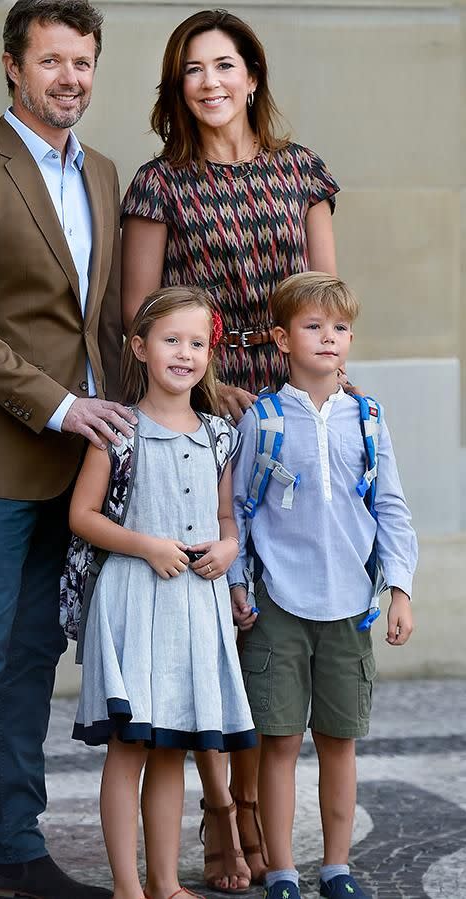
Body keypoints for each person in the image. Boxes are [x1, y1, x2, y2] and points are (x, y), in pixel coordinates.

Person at [0, 2, 136, 898]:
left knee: (36, 655)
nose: (70, 78)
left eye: (82, 61)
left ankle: (14, 845)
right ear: (13, 67)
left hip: (82, 463)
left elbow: (110, 319)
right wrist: (57, 406)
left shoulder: (108, 174)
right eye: (52, 61)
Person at [120, 8, 339, 892]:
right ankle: (220, 810)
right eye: (191, 70)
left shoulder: (303, 173)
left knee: (269, 619)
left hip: (286, 412)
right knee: (212, 610)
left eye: (224, 65)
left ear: (252, 76)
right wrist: (203, 398)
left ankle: (254, 811)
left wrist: (320, 405)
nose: (210, 82)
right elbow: (137, 320)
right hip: (197, 412)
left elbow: (328, 301)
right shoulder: (157, 184)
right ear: (178, 90)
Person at [229, 272, 417, 899]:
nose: (329, 338)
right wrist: (238, 583)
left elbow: (390, 506)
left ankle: (336, 867)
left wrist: (401, 589)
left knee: (340, 742)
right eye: (313, 327)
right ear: (282, 339)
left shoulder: (367, 418)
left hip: (350, 608)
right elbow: (238, 509)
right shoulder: (262, 418)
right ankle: (282, 871)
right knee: (278, 742)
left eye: (339, 328)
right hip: (279, 603)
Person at [69, 286, 257, 899]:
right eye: (171, 340)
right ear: (140, 347)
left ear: (211, 352)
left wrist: (228, 552)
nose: (185, 353)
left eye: (197, 343)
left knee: (174, 746)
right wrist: (146, 545)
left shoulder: (220, 435)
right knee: (130, 748)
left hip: (193, 608)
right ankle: (128, 887)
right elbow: (83, 516)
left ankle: (166, 883)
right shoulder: (117, 431)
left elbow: (228, 521)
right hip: (132, 601)